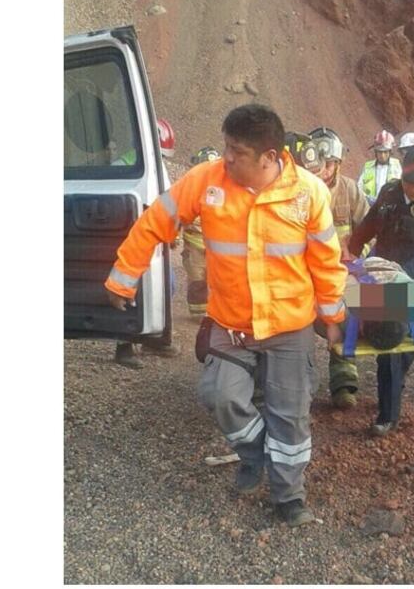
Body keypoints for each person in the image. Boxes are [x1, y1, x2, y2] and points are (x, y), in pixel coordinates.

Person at [104, 104, 347, 527]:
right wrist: (123, 278)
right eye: (226, 146)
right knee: (220, 396)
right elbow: (154, 222)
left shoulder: (308, 193)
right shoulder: (206, 180)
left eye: (237, 151)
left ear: (269, 157)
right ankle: (255, 455)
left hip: (289, 327)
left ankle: (289, 496)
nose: (227, 157)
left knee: (290, 416)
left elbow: (327, 262)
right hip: (230, 323)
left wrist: (333, 317)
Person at [349, 140, 414, 435]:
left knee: (397, 347)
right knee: (387, 342)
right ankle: (388, 410)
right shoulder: (390, 193)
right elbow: (366, 228)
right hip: (380, 278)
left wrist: (398, 275)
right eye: (410, 182)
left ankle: (388, 407)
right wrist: (350, 254)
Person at [307, 127, 371, 408]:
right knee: (296, 326)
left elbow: (368, 230)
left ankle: (343, 380)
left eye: (330, 163)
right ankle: (298, 386)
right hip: (304, 275)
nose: (324, 170)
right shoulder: (297, 191)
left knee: (344, 317)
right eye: (320, 163)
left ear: (338, 164)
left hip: (342, 274)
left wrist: (356, 253)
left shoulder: (350, 190)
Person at [113, 117, 179, 368]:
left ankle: (154, 337)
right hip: (131, 242)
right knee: (127, 291)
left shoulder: (155, 168)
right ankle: (124, 345)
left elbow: (169, 204)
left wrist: (172, 235)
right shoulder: (123, 167)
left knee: (166, 285)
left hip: (153, 241)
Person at [180, 146, 220, 315]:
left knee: (218, 279)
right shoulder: (190, 188)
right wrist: (174, 236)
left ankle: (216, 311)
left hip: (215, 246)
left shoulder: (221, 191)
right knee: (197, 278)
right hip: (194, 245)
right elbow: (176, 213)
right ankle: (198, 311)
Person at [358, 129, 402, 202]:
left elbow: (402, 188)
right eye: (380, 152)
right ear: (375, 152)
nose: (382, 155)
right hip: (369, 205)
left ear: (390, 152)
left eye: (385, 152)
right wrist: (367, 199)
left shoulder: (396, 165)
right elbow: (359, 187)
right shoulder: (368, 166)